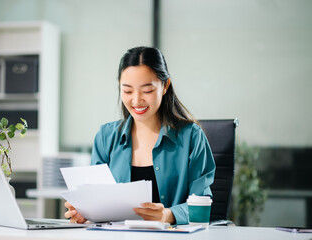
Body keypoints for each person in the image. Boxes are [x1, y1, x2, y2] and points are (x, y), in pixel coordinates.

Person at [64, 46, 215, 225]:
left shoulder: (192, 137)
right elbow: (97, 202)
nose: (136, 100)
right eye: (127, 91)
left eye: (147, 91)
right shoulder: (106, 137)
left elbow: (202, 205)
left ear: (165, 86)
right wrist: (85, 212)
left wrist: (169, 215)